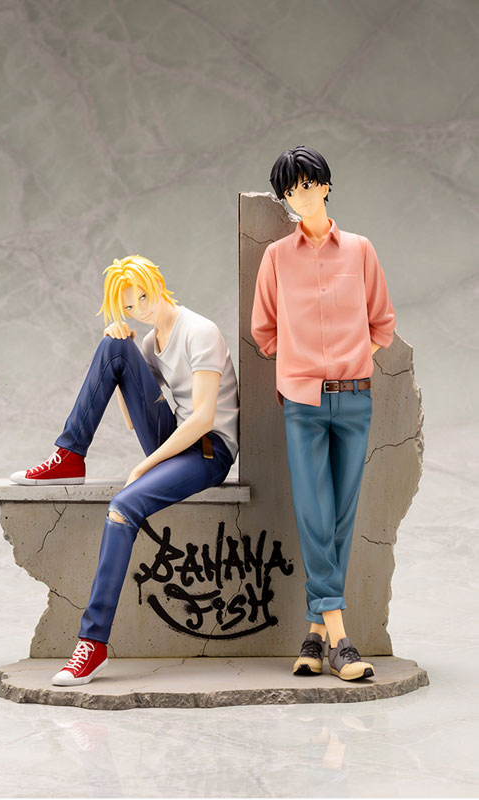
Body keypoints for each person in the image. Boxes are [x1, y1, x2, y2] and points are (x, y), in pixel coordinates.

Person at [11, 255, 239, 685]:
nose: (140, 309)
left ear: (159, 283)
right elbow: (135, 420)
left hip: (209, 451)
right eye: (130, 306)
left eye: (144, 297)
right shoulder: (151, 342)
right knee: (113, 347)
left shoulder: (200, 331)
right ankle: (69, 456)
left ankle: (93, 644)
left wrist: (146, 465)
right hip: (175, 441)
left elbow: (204, 418)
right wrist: (123, 351)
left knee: (123, 506)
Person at [251, 146, 396, 681]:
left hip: (354, 398)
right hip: (303, 403)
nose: (300, 196)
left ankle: (312, 637)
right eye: (290, 190)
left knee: (340, 518)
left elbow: (381, 323)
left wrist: (354, 361)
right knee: (315, 513)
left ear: (326, 185)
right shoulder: (276, 257)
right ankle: (340, 638)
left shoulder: (360, 250)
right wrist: (301, 366)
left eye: (308, 184)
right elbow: (264, 331)